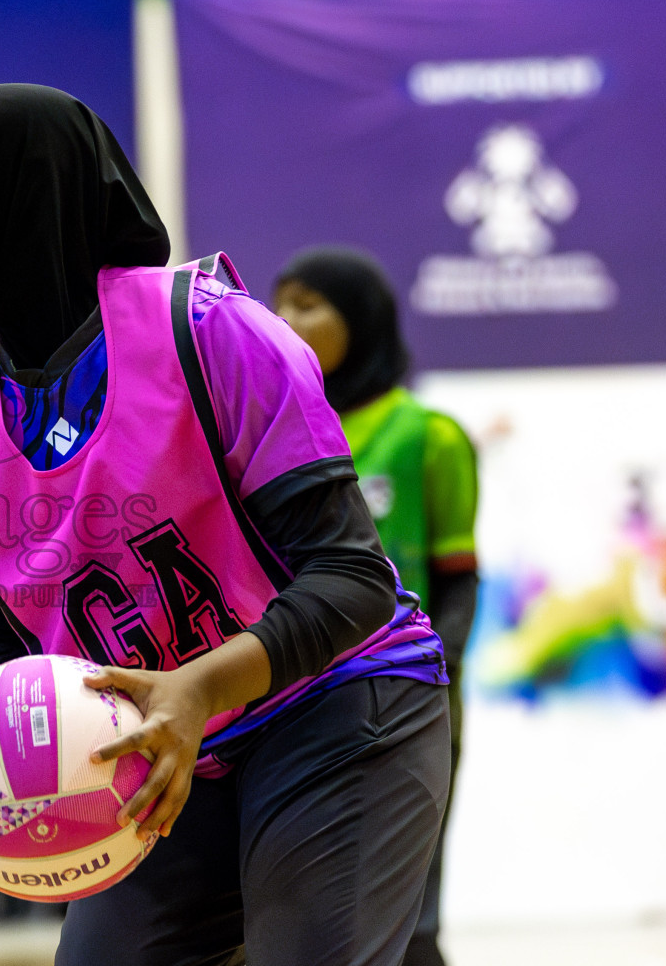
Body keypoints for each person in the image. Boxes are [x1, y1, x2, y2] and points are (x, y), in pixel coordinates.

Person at [0, 83, 452, 966]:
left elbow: (351, 583)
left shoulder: (213, 330)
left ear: (13, 190)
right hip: (150, 750)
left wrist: (195, 689)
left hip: (336, 708)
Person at [272, 248, 478, 966]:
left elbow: (458, 577)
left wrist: (433, 673)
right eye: (279, 303)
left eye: (306, 305)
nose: (284, 322)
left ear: (359, 321)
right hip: (291, 699)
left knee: (410, 917)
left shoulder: (428, 434)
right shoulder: (271, 430)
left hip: (408, 697)